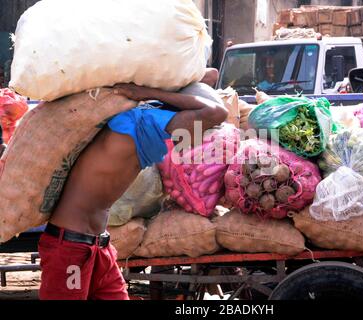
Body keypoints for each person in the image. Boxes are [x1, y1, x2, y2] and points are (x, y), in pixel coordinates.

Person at [37, 76, 228, 300]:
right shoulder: (138, 123)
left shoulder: (146, 134)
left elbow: (211, 85)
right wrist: (148, 92)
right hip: (69, 247)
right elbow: (216, 112)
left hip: (101, 247)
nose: (193, 134)